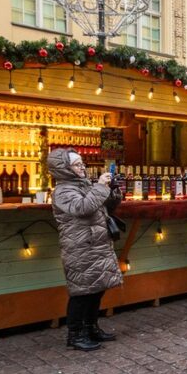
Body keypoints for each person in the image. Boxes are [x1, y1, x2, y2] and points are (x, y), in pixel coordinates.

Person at [48, 148, 121, 351]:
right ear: (64, 168)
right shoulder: (63, 191)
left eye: (82, 163)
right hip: (79, 245)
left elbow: (102, 206)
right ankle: (75, 334)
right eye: (77, 164)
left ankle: (91, 327)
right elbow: (82, 208)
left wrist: (113, 191)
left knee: (96, 288)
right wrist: (99, 187)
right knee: (81, 292)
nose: (82, 167)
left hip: (96, 243)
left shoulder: (85, 185)